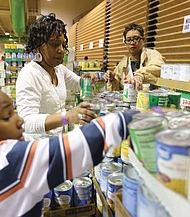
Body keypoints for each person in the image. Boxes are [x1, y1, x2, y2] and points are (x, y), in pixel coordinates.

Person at [0, 90, 135, 217]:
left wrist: (67, 118)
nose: (19, 120)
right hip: (43, 147)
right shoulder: (13, 161)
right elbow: (85, 142)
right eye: (7, 116)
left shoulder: (59, 72)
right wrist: (137, 117)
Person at [16, 13, 97, 141]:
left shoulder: (59, 69)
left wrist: (87, 79)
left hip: (59, 139)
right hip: (40, 146)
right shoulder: (29, 74)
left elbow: (78, 85)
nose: (61, 50)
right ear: (38, 46)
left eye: (62, 45)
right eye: (54, 44)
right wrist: (67, 116)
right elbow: (27, 122)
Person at [103, 22, 165, 91]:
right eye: (129, 40)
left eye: (136, 38)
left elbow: (159, 67)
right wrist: (112, 79)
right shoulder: (123, 63)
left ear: (143, 40)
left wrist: (140, 75)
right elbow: (117, 89)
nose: (132, 43)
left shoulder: (153, 54)